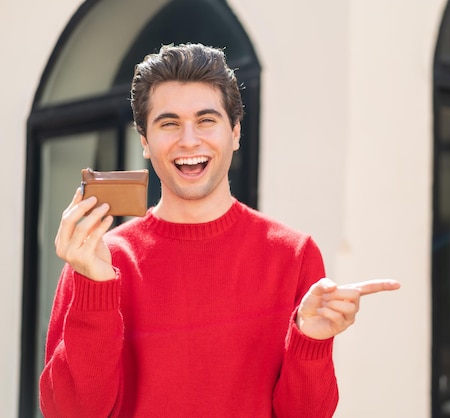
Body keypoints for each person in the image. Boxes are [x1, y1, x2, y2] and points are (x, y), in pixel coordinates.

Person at [39, 43, 400, 418]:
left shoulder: (294, 255)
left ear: (236, 133)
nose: (189, 140)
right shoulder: (98, 258)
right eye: (169, 123)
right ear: (145, 142)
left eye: (207, 120)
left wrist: (311, 341)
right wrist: (94, 288)